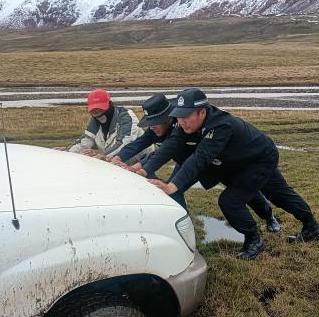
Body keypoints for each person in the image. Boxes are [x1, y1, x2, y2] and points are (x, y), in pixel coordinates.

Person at [138, 88, 319, 260]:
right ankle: (300, 229)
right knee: (247, 196)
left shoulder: (221, 126)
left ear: (202, 112)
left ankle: (258, 238)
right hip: (236, 163)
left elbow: (199, 158)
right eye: (178, 116)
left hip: (260, 158)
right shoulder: (187, 126)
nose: (181, 121)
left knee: (246, 199)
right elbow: (170, 146)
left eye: (185, 116)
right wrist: (143, 169)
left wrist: (172, 186)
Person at [112, 94, 281, 234]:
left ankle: (268, 216)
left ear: (167, 119)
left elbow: (183, 154)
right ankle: (183, 226)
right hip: (187, 165)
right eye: (150, 124)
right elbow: (147, 145)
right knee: (173, 191)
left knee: (245, 193)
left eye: (155, 123)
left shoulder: (183, 123)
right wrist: (118, 158)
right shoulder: (160, 127)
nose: (152, 128)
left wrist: (140, 167)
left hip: (211, 163)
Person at [56, 88, 148, 162]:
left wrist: (102, 156)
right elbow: (85, 142)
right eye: (94, 111)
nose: (97, 113)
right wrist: (67, 152)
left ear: (109, 104)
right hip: (115, 161)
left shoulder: (126, 116)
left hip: (142, 160)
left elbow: (123, 142)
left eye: (100, 109)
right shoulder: (94, 121)